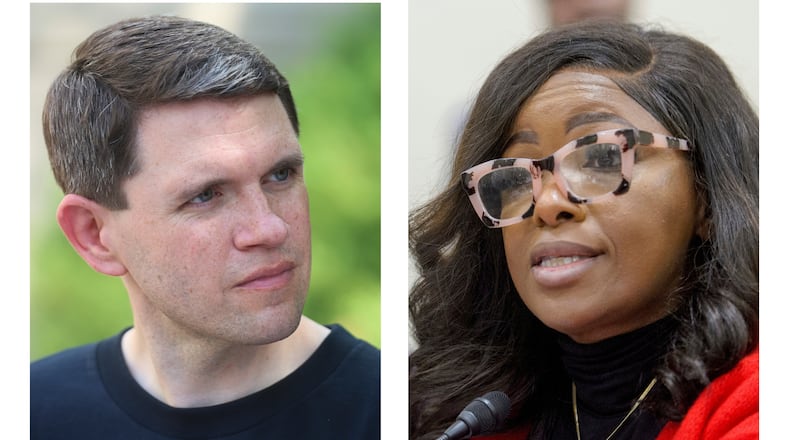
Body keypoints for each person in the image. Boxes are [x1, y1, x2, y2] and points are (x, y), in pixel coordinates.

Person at [31, 15, 380, 439]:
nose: (269, 229)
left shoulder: (391, 410)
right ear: (94, 235)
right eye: (206, 195)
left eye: (281, 175)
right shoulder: (32, 412)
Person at [409, 20, 757, 440]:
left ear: (706, 196)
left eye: (599, 159)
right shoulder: (468, 415)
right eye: (515, 177)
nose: (549, 205)